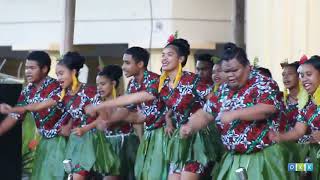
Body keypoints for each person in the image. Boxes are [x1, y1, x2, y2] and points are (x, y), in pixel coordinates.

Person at [180, 43, 296, 180]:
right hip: (235, 158)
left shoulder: (263, 83)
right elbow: (206, 113)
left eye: (235, 70)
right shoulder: (223, 90)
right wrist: (190, 126)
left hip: (264, 157)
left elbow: (267, 108)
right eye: (226, 71)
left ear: (247, 67)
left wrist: (235, 113)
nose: (230, 75)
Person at [87, 46, 169, 180]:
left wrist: (102, 106)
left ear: (140, 64)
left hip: (164, 133)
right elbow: (127, 110)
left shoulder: (155, 81)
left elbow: (133, 99)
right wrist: (106, 121)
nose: (123, 67)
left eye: (127, 63)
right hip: (150, 133)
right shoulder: (132, 84)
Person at [0, 51, 68, 180]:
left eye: (32, 68)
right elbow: (15, 115)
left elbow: (40, 105)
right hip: (44, 143)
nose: (27, 72)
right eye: (26, 68)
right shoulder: (27, 91)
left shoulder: (58, 87)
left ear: (44, 69)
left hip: (63, 141)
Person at [270, 55, 320, 179]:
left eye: (309, 74)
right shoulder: (307, 104)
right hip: (313, 160)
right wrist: (280, 136)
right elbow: (298, 130)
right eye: (302, 76)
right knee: (290, 167)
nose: (304, 79)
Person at [87, 65, 139, 180]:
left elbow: (107, 121)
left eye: (103, 84)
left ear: (113, 83)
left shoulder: (125, 101)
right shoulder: (96, 101)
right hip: (105, 146)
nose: (99, 88)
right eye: (97, 85)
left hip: (126, 145)